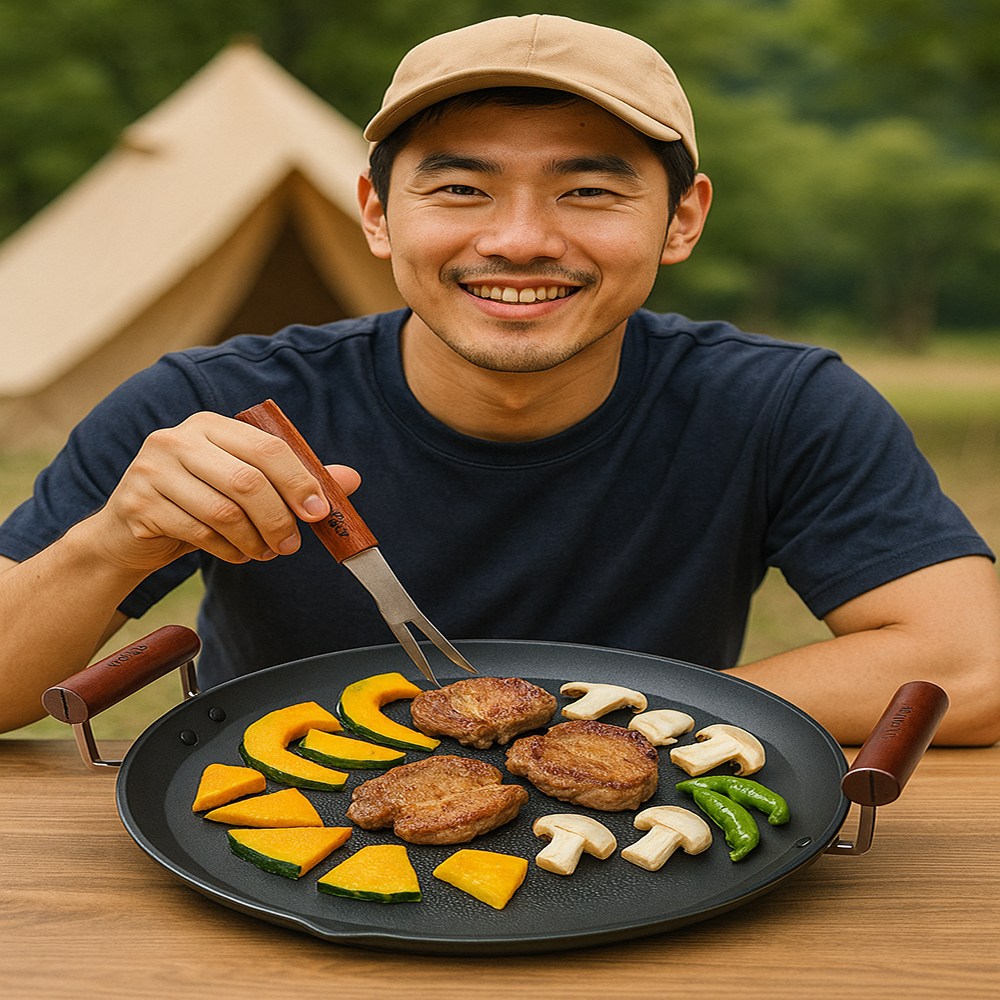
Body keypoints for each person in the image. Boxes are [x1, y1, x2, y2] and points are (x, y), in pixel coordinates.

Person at [1, 14, 998, 744]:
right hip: (268, 850)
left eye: (588, 189)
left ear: (682, 218)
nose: (520, 240)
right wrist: (111, 544)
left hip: (643, 857)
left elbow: (972, 660)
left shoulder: (778, 407)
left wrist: (625, 724)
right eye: (461, 188)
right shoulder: (209, 404)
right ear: (378, 213)